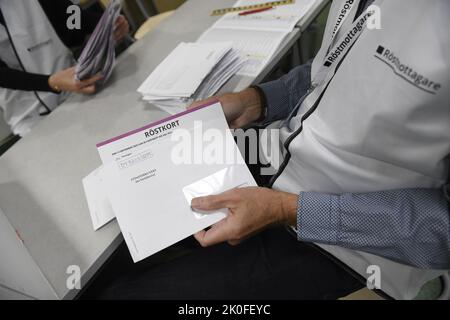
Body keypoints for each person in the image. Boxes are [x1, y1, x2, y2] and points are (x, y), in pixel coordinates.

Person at [88, 0, 449, 300]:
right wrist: (256, 101)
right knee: (116, 240)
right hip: (280, 158)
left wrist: (285, 210)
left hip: (352, 241)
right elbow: (333, 66)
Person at [0, 0, 129, 136]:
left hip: (76, 92)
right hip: (30, 117)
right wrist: (50, 82)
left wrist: (108, 24)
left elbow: (72, 19)